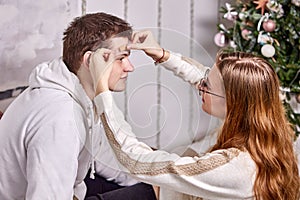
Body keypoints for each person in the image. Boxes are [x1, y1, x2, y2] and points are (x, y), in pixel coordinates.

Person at [89, 30, 300, 199]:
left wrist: (102, 90)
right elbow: (203, 77)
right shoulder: (265, 131)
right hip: (166, 190)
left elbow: (133, 160)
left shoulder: (237, 168)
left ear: (233, 103)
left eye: (207, 86)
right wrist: (162, 54)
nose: (201, 86)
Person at [0, 13, 157, 200]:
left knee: (154, 185)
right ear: (90, 61)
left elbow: (103, 155)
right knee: (151, 194)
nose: (129, 67)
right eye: (121, 58)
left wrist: (156, 176)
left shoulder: (78, 93)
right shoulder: (60, 117)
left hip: (71, 189)